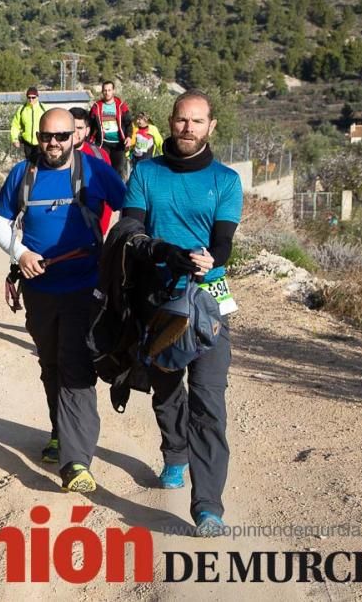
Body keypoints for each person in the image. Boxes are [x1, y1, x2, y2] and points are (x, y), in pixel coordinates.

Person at [122, 89, 243, 537]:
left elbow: (225, 238)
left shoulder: (226, 180)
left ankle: (208, 505)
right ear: (169, 123)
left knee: (209, 402)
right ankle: (175, 451)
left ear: (211, 126)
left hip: (209, 301)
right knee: (168, 391)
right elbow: (130, 226)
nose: (187, 128)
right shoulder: (146, 172)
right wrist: (159, 249)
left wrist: (210, 256)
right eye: (180, 120)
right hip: (158, 303)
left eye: (196, 121)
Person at [0, 108, 126, 492]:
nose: (53, 144)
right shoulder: (23, 174)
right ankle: (59, 431)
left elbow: (131, 209)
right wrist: (21, 255)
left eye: (61, 136)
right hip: (40, 291)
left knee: (76, 367)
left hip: (85, 287)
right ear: (38, 137)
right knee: (51, 365)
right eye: (46, 137)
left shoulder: (95, 171)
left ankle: (76, 461)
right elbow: (1, 223)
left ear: (76, 137)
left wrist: (117, 253)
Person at [70, 107, 114, 234]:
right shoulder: (55, 156)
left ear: (87, 130)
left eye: (79, 128)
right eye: (72, 128)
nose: (75, 133)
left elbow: (108, 197)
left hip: (92, 233)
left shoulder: (100, 156)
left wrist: (101, 230)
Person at [89, 80, 133, 180]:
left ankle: (117, 193)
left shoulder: (121, 106)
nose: (107, 93)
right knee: (103, 169)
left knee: (118, 171)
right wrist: (89, 139)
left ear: (113, 91)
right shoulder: (96, 107)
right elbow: (90, 124)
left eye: (109, 90)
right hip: (103, 143)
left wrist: (129, 137)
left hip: (118, 144)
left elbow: (129, 123)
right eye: (105, 90)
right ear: (102, 92)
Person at [10, 86, 46, 164]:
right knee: (29, 164)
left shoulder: (44, 108)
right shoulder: (22, 109)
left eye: (33, 97)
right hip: (27, 143)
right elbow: (15, 125)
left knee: (41, 163)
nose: (31, 100)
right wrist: (15, 139)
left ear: (37, 97)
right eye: (29, 97)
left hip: (41, 142)